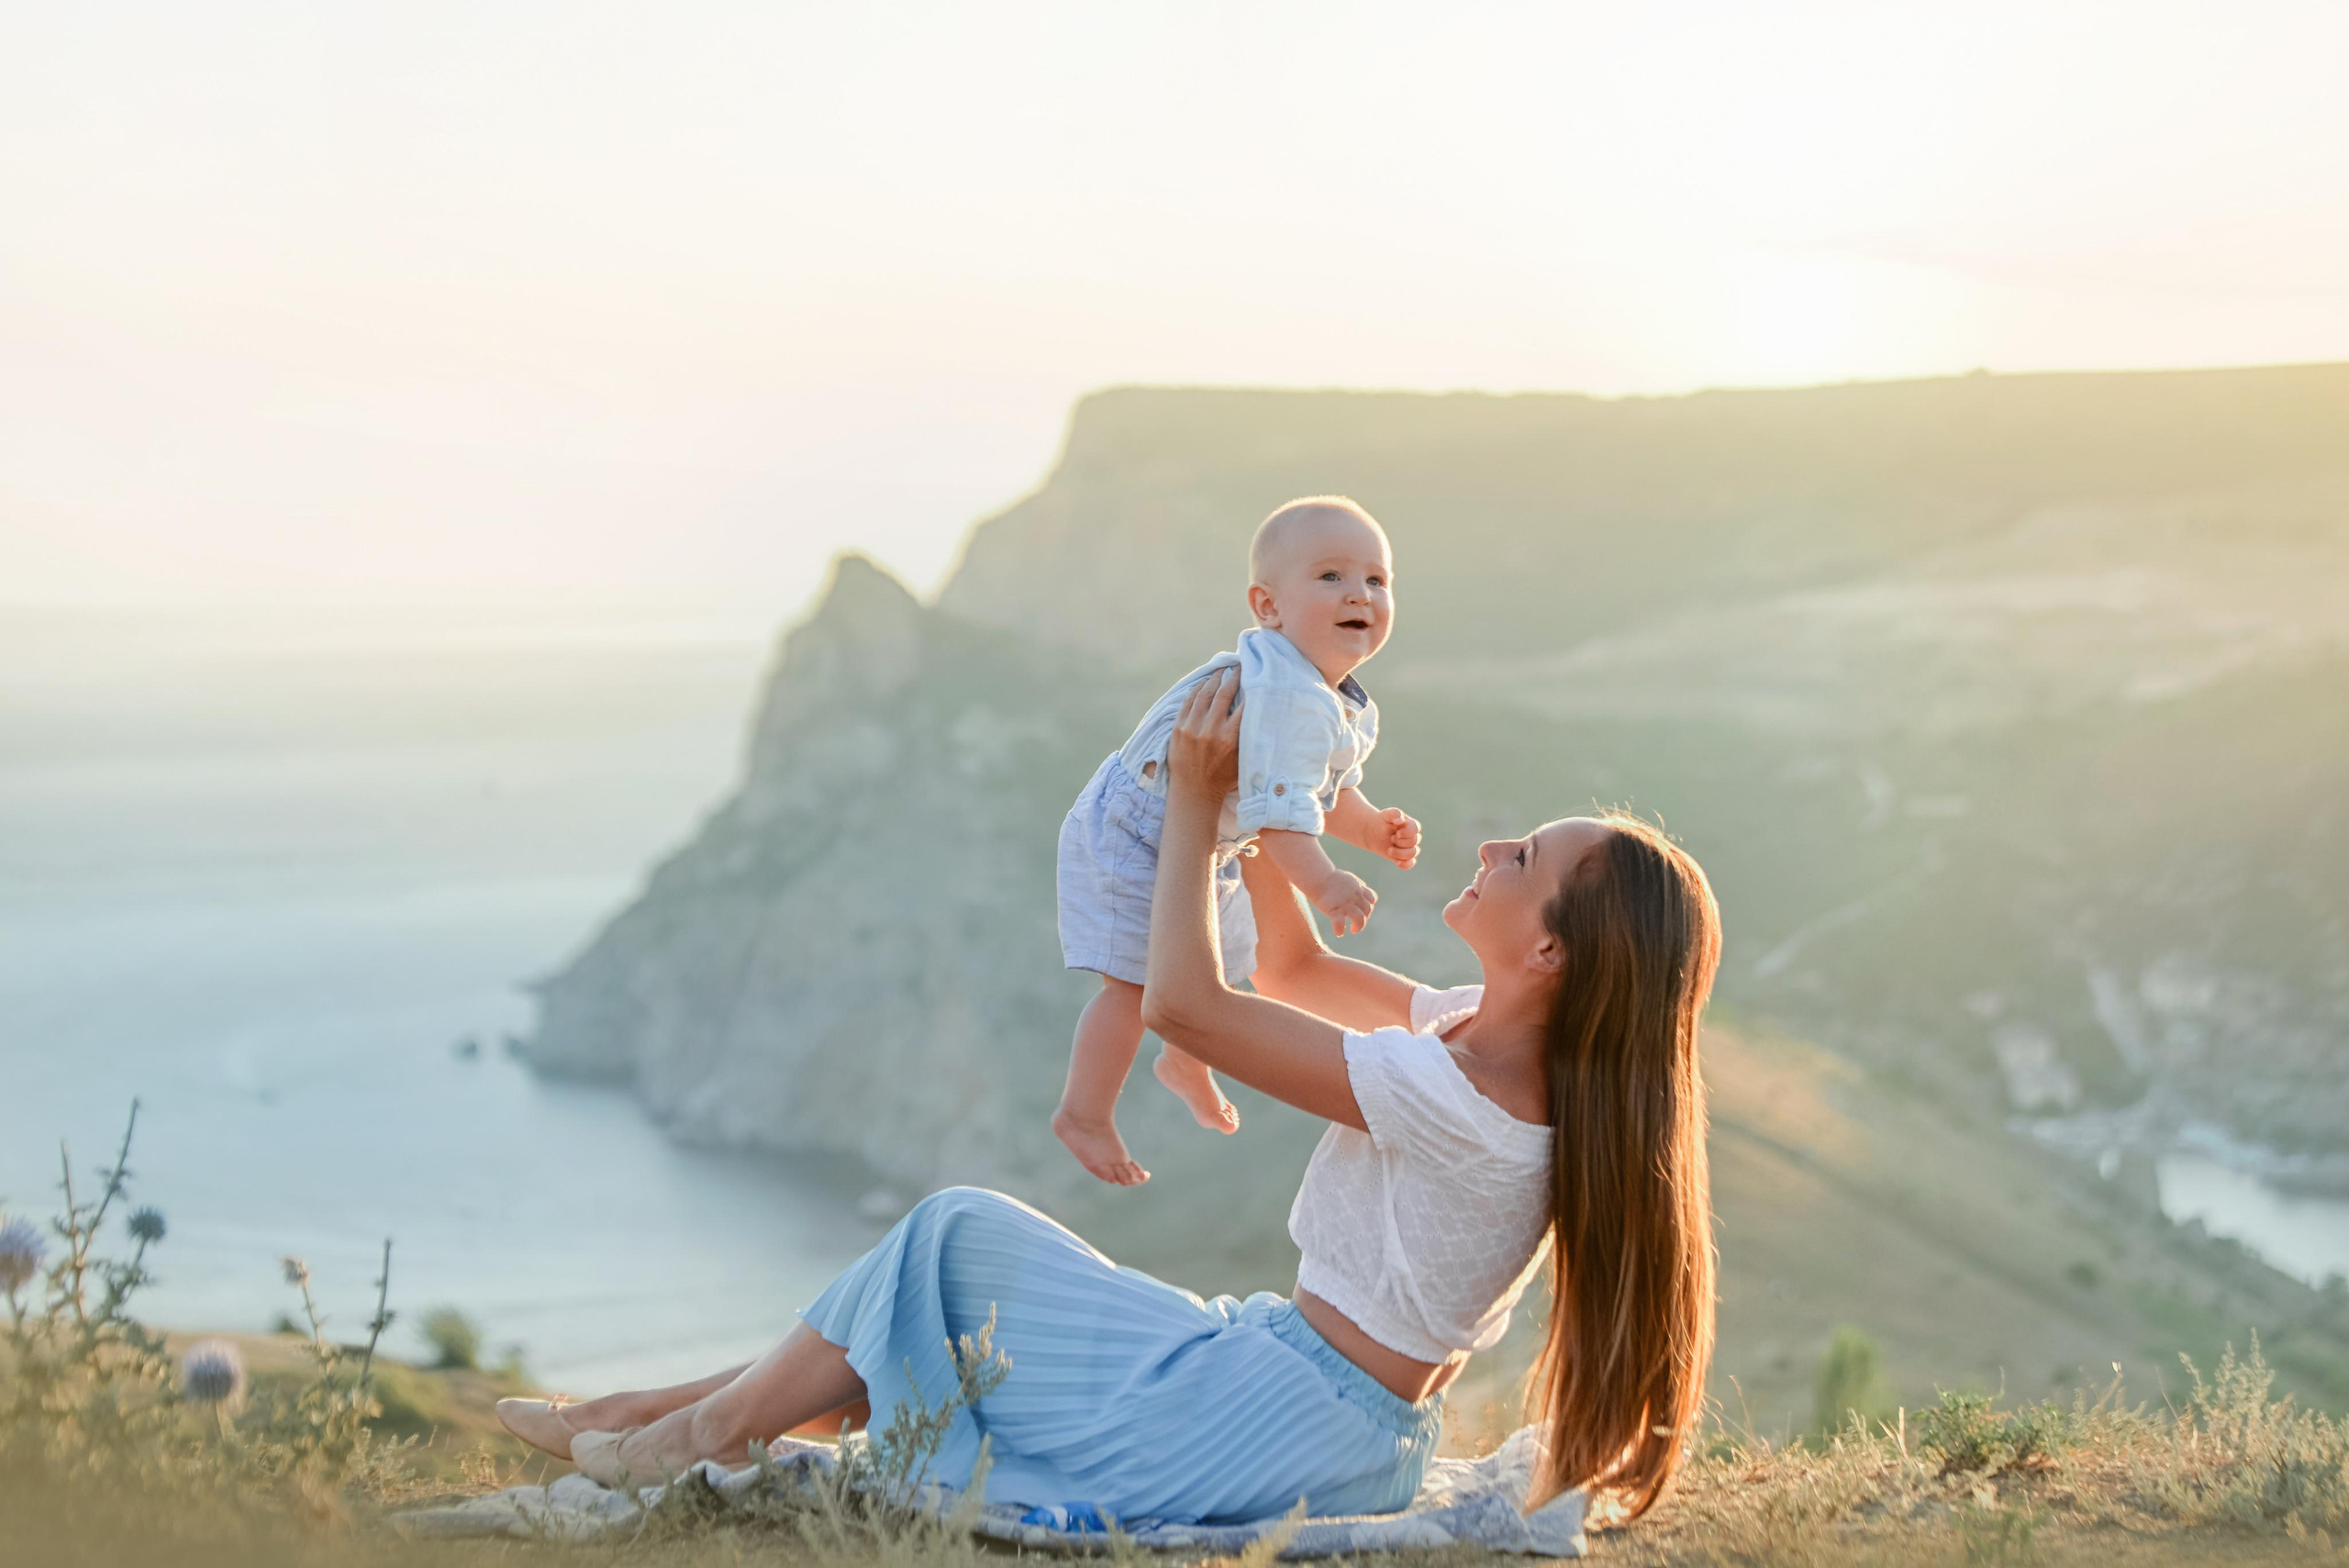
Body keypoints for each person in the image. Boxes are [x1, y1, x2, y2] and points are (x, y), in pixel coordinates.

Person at [499, 668, 1721, 1524]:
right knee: (956, 1309)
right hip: (1309, 1400)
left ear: (1553, 952)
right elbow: (1290, 967)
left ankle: (691, 1439)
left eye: (1524, 860)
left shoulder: (1464, 1096)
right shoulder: (1479, 1037)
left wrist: (1190, 807)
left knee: (955, 1233)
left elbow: (1189, 1008)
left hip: (1281, 1422)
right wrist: (1262, 809)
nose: (1492, 847)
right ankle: (644, 1418)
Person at [1053, 495, 1422, 1185]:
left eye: (1376, 579)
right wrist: (1324, 881)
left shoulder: (1328, 694)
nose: (1360, 593)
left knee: (1205, 970)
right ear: (1268, 606)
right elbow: (1282, 813)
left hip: (1206, 839)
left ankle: (1183, 1058)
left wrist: (1370, 828)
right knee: (1132, 985)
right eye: (1331, 577)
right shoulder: (1285, 692)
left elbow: (1319, 789)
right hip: (1130, 831)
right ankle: (1084, 1110)